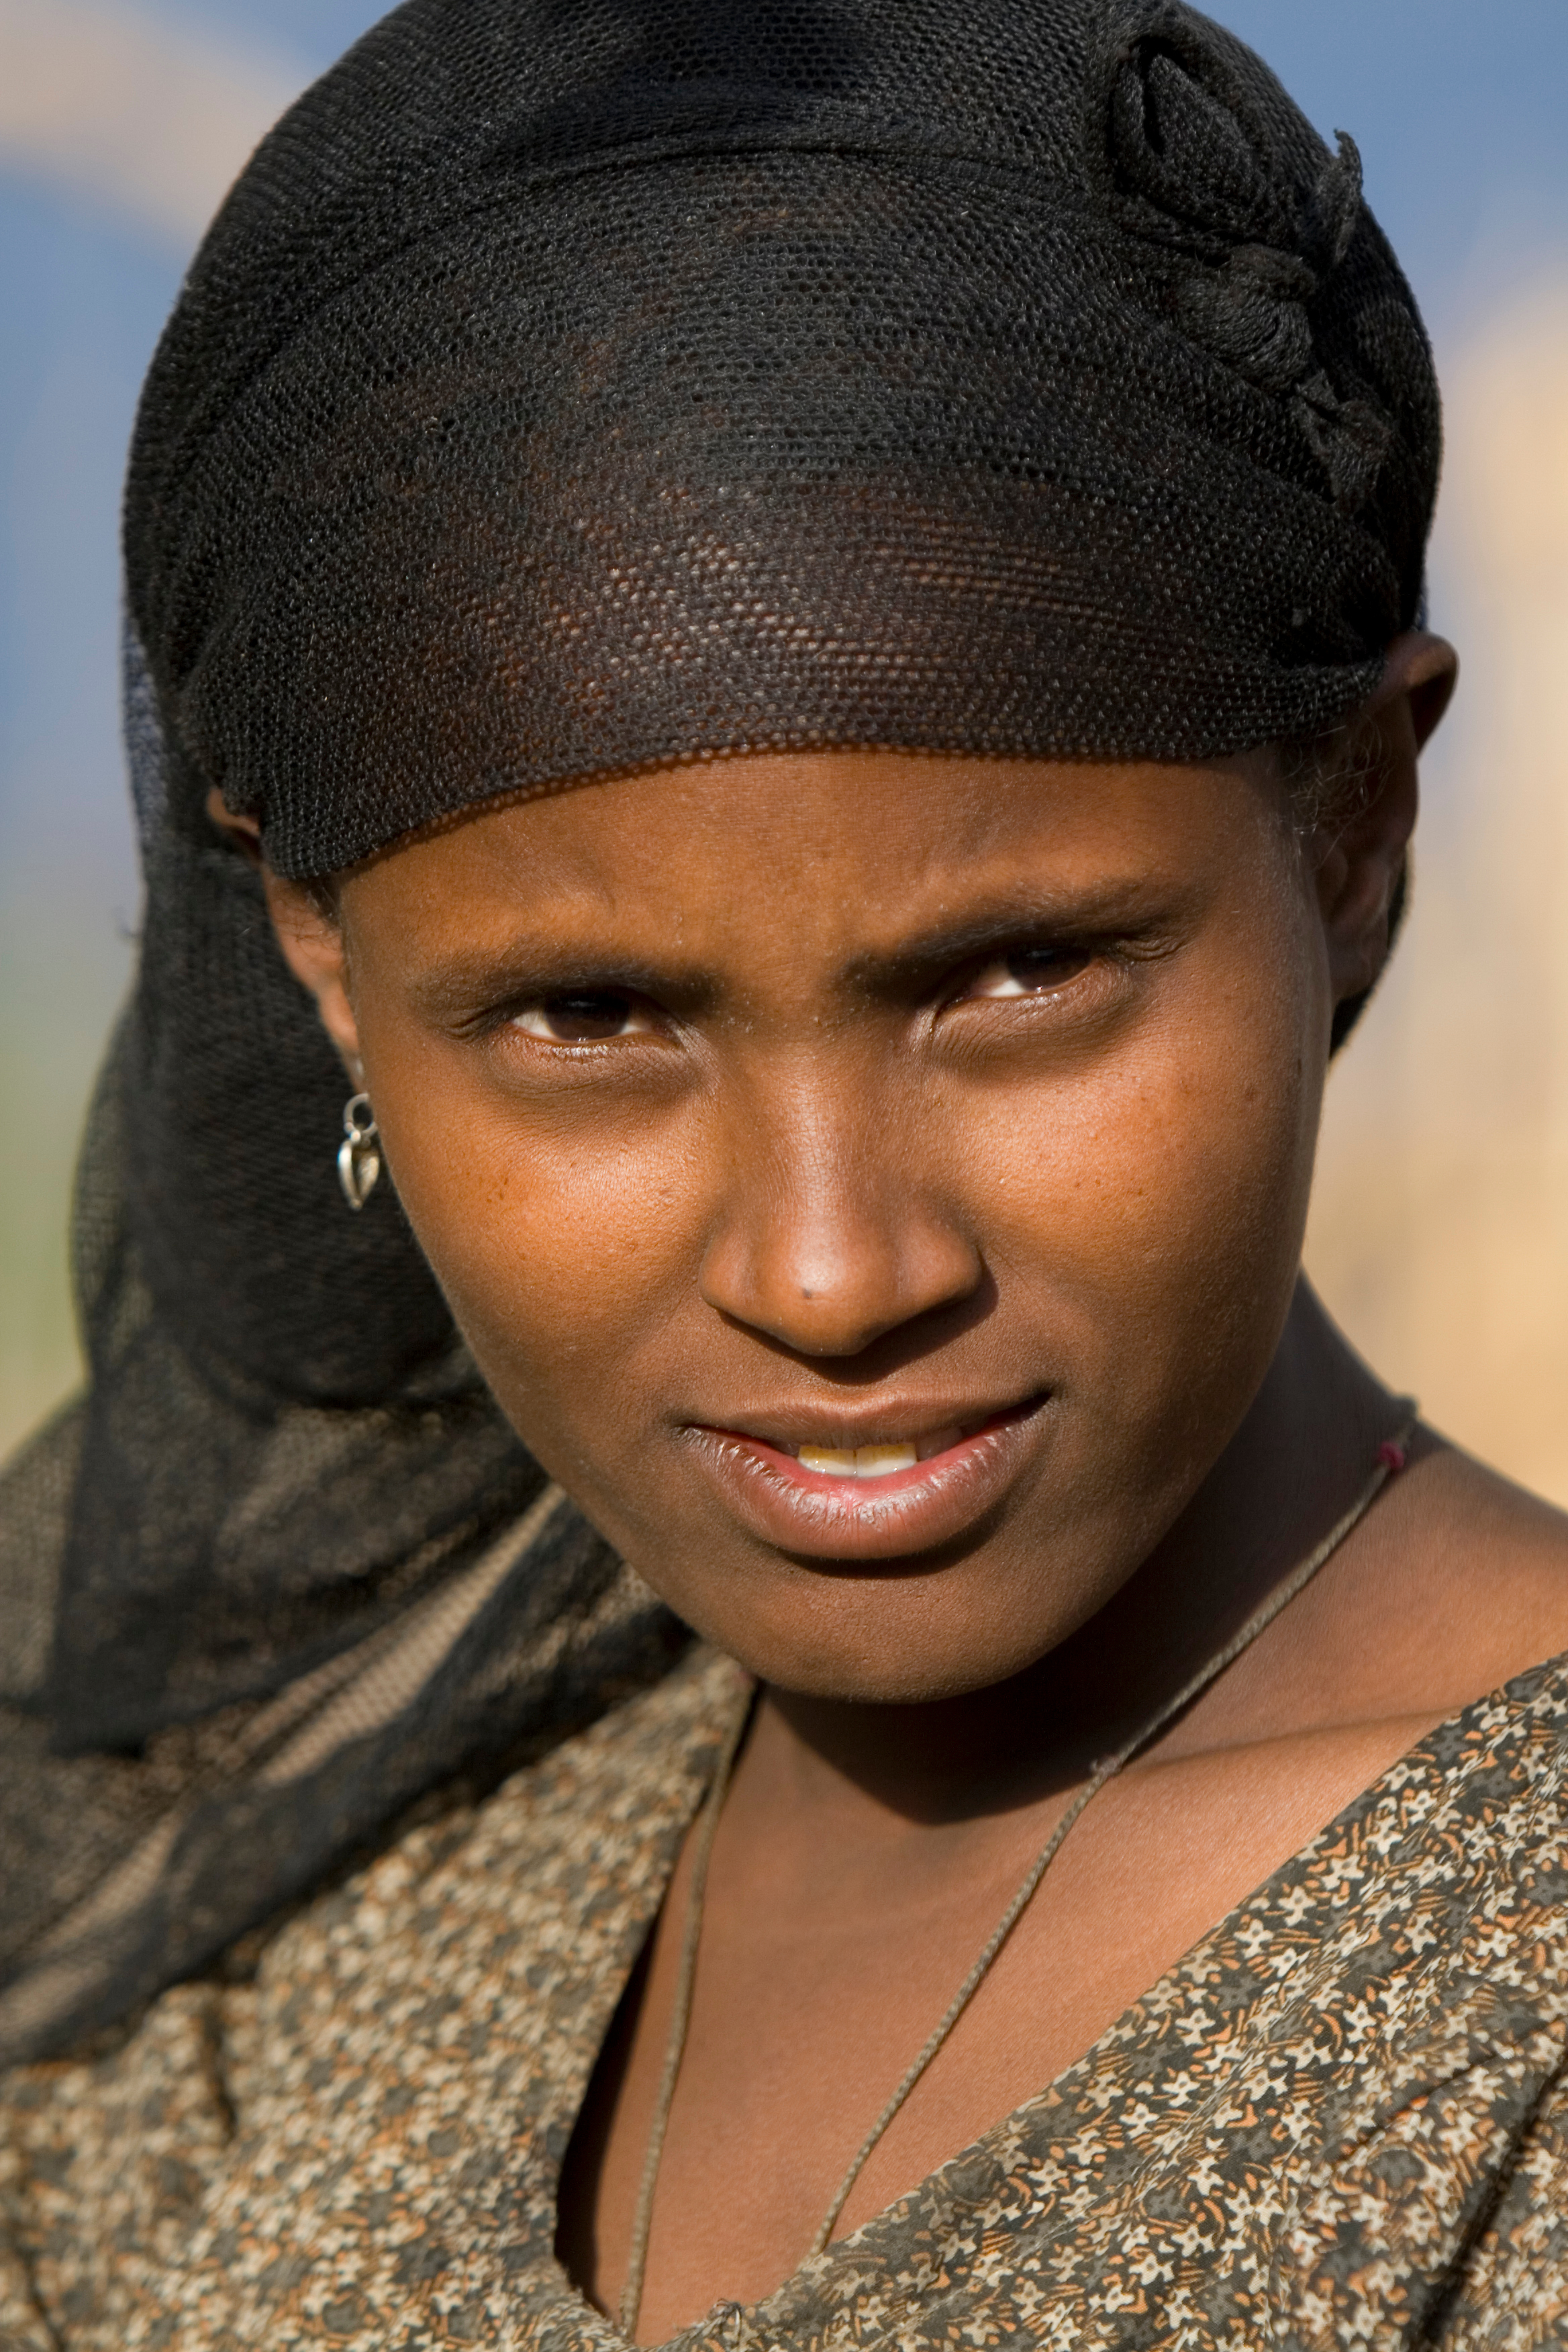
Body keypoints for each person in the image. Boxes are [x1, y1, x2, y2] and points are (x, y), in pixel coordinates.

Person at [3, 0, 1567, 2343]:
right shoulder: (248, 1945)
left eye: (1024, 972)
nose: (836, 1274)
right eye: (588, 1022)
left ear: (1350, 833)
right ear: (324, 964)